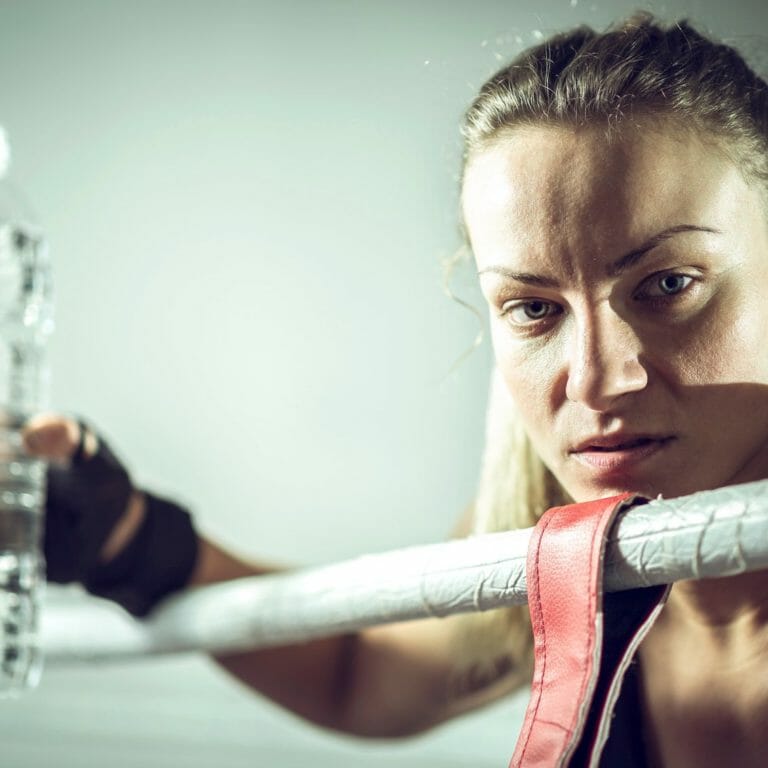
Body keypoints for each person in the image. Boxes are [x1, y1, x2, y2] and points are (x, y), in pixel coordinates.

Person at [20, 12, 768, 766]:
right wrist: (125, 535)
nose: (600, 379)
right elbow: (363, 671)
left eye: (669, 285)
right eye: (535, 309)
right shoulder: (571, 547)